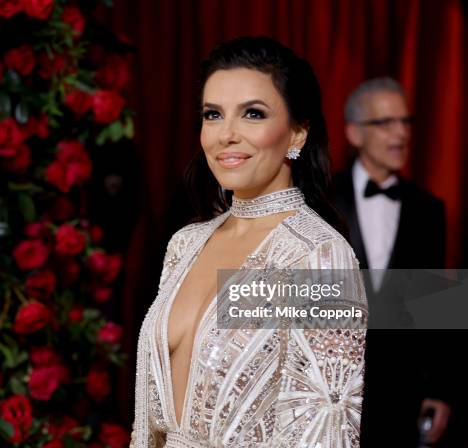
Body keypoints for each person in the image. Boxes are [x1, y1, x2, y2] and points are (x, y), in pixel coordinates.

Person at [131, 36, 367, 447]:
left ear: (297, 134)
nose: (226, 135)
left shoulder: (318, 255)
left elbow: (323, 432)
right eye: (213, 115)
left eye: (252, 114)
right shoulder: (185, 244)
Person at [332, 77, 451, 447]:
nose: (400, 133)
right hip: (331, 389)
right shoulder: (319, 201)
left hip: (403, 391)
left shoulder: (429, 210)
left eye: (406, 122)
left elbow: (434, 305)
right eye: (385, 123)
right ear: (354, 134)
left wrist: (440, 389)